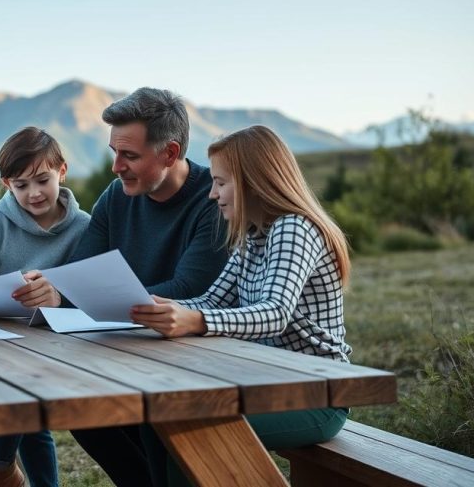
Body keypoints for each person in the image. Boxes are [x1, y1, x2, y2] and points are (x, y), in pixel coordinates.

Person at [131, 124, 352, 487]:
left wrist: (196, 320)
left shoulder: (294, 228)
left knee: (189, 431)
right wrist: (152, 306)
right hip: (269, 383)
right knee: (160, 419)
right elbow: (212, 300)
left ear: (253, 181)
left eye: (221, 182)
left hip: (318, 394)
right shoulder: (253, 236)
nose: (212, 194)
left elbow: (275, 313)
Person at [65, 87, 229, 487]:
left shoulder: (215, 199)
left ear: (170, 154)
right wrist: (53, 291)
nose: (116, 166)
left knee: (145, 419)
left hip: (194, 359)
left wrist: (94, 297)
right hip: (129, 349)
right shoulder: (117, 196)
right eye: (114, 152)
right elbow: (80, 271)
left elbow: (189, 289)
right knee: (78, 409)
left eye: (130, 156)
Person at [0, 126, 91, 487]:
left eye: (42, 180)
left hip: (58, 341)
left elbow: (91, 292)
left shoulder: (84, 227)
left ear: (62, 171)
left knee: (32, 405)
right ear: (6, 184)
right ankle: (0, 468)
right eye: (21, 185)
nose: (33, 193)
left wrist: (58, 294)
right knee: (29, 406)